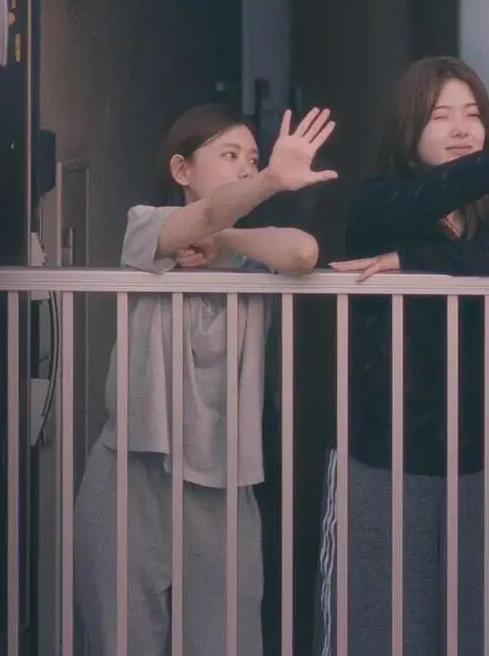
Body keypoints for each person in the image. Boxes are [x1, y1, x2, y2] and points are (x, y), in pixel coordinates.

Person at [315, 58, 489, 656]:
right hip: (379, 456)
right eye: (441, 116)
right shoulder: (379, 200)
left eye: (472, 115)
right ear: (408, 129)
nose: (462, 128)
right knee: (380, 634)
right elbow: (427, 198)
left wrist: (414, 263)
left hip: (470, 454)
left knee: (476, 632)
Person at [75, 103, 337, 656]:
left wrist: (229, 241)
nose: (246, 167)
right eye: (230, 155)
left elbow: (303, 251)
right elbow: (207, 213)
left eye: (254, 159)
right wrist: (267, 183)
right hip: (131, 470)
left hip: (224, 477)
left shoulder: (254, 257)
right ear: (182, 170)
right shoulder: (148, 224)